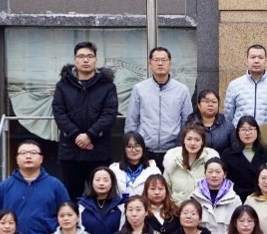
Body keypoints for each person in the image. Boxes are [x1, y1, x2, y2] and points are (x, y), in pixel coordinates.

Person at [52, 42, 118, 198]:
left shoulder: (107, 87)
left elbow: (109, 114)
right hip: (70, 152)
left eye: (90, 56)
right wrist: (76, 136)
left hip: (98, 151)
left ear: (96, 60)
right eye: (81, 57)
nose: (85, 60)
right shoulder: (63, 85)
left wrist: (90, 135)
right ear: (75, 60)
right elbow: (59, 113)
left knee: (100, 195)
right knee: (71, 196)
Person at [0, 140, 71, 234]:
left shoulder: (55, 185)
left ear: (41, 159)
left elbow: (68, 215)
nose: (28, 156)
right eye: (23, 153)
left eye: (33, 153)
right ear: (17, 159)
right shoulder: (4, 187)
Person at [125, 46, 193, 160]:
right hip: (145, 149)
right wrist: (131, 146)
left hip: (173, 150)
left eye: (164, 60)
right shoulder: (139, 89)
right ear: (150, 63)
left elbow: (187, 121)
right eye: (156, 60)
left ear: (170, 63)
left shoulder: (182, 90)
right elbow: (132, 120)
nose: (160, 63)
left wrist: (182, 145)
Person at [223, 44, 267, 126]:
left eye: (260, 57)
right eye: (253, 57)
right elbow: (228, 115)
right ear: (247, 60)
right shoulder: (234, 85)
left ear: (266, 61)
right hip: (240, 135)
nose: (256, 61)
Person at [163, 124, 220, 205]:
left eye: (197, 140)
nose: (193, 143)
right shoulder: (172, 161)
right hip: (175, 210)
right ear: (183, 140)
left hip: (202, 210)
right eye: (189, 139)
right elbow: (165, 189)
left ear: (202, 142)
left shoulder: (211, 162)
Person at [189, 159, 242, 234]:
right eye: (210, 172)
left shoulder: (235, 199)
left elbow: (239, 225)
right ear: (205, 174)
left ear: (224, 174)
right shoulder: (194, 197)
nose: (214, 175)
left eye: (218, 172)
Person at [221, 116, 267, 201]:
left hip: (258, 199)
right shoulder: (228, 154)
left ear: (257, 131)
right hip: (235, 199)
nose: (247, 133)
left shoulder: (264, 154)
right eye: (243, 130)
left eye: (251, 129)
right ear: (238, 132)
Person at [77, 167, 124, 234]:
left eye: (105, 180)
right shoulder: (82, 206)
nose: (101, 183)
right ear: (91, 183)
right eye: (97, 180)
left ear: (112, 183)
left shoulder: (121, 205)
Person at [111, 132, 163, 200]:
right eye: (129, 147)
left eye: (137, 146)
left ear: (143, 148)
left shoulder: (154, 170)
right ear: (124, 149)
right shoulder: (114, 170)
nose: (133, 150)